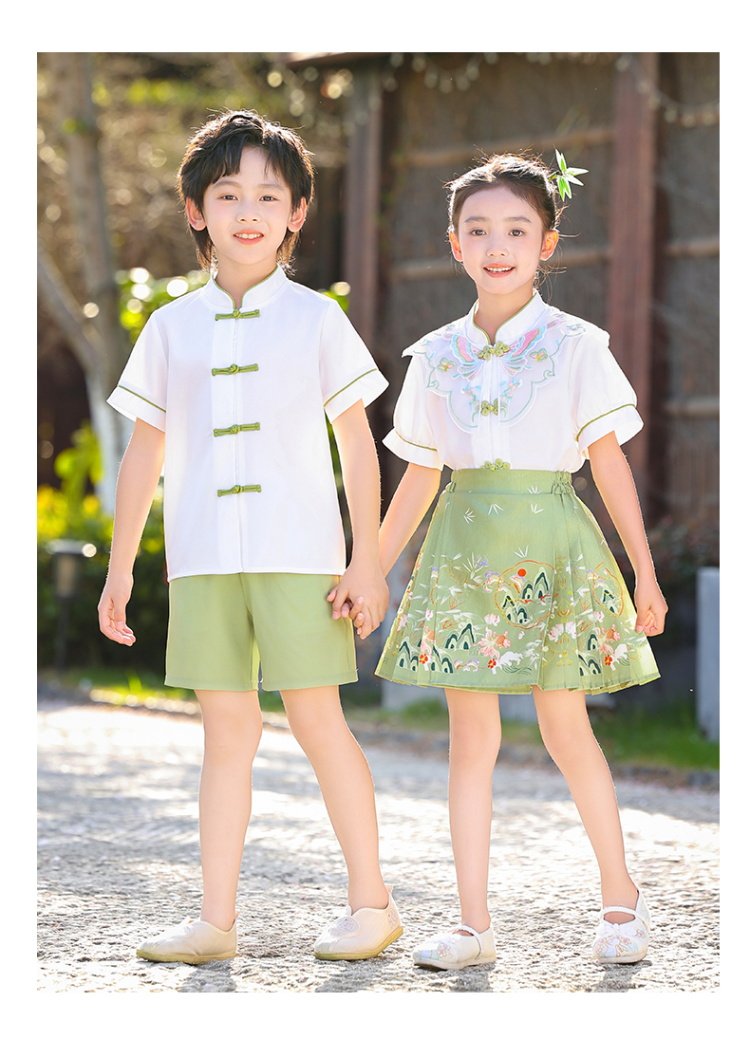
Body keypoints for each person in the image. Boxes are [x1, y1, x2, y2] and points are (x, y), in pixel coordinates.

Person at [97, 110, 402, 965]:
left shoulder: (317, 319)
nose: (249, 211)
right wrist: (121, 568)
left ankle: (372, 904)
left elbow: (357, 445)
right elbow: (144, 452)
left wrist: (367, 558)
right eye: (228, 193)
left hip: (301, 554)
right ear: (196, 209)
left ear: (297, 212)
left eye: (270, 196)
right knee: (225, 731)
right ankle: (215, 921)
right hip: (201, 557)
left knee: (318, 720)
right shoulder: (171, 327)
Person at [368, 152, 667, 970]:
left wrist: (642, 570)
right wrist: (370, 569)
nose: (496, 246)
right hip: (462, 553)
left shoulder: (577, 347)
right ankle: (473, 925)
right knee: (471, 740)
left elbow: (608, 461)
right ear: (454, 244)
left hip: (554, 551)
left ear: (546, 242)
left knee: (567, 729)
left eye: (516, 230)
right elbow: (419, 475)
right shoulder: (434, 356)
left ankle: (620, 897)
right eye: (478, 230)